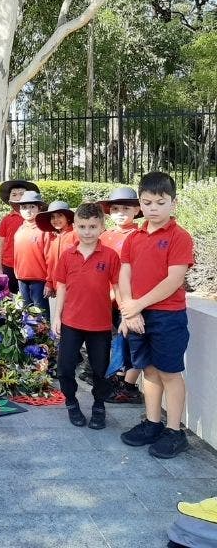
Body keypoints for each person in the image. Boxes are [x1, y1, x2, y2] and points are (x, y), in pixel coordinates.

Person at [119, 171, 194, 459]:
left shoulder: (179, 237)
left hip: (167, 316)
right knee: (148, 370)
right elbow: (124, 273)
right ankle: (152, 423)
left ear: (173, 203)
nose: (154, 208)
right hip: (138, 315)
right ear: (140, 203)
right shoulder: (134, 237)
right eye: (148, 202)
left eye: (161, 202)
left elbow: (173, 280)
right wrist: (129, 308)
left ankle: (175, 431)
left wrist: (137, 305)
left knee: (169, 372)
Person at [52, 203, 120, 429]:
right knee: (64, 368)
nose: (87, 231)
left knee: (100, 369)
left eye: (92, 226)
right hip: (71, 322)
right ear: (75, 227)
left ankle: (99, 405)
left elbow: (119, 287)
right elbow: (61, 287)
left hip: (100, 324)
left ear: (102, 227)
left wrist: (126, 315)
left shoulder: (110, 256)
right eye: (82, 226)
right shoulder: (67, 255)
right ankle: (71, 402)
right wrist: (57, 316)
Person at [98, 187, 144, 404]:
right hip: (104, 299)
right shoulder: (105, 236)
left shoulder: (139, 235)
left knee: (129, 342)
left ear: (136, 210)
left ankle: (127, 384)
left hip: (127, 299)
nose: (120, 212)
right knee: (113, 340)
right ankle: (115, 378)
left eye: (126, 208)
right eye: (115, 208)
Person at [0, 180, 39, 294]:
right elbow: (0, 244)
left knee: (31, 301)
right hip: (9, 265)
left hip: (30, 267)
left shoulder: (37, 219)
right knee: (10, 297)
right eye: (14, 194)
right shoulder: (6, 219)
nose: (18, 197)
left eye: (22, 194)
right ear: (9, 199)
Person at [12, 190, 50, 319]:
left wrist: (50, 281)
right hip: (22, 278)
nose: (28, 210)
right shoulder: (20, 229)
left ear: (39, 208)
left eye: (32, 207)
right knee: (26, 312)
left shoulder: (43, 230)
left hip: (39, 279)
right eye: (24, 207)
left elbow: (50, 257)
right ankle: (30, 338)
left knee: (40, 314)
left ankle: (45, 339)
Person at [35, 200, 76, 299]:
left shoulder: (76, 235)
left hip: (74, 287)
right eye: (52, 217)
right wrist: (49, 282)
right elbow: (50, 262)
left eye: (59, 216)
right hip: (58, 287)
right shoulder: (53, 237)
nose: (55, 219)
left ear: (68, 218)